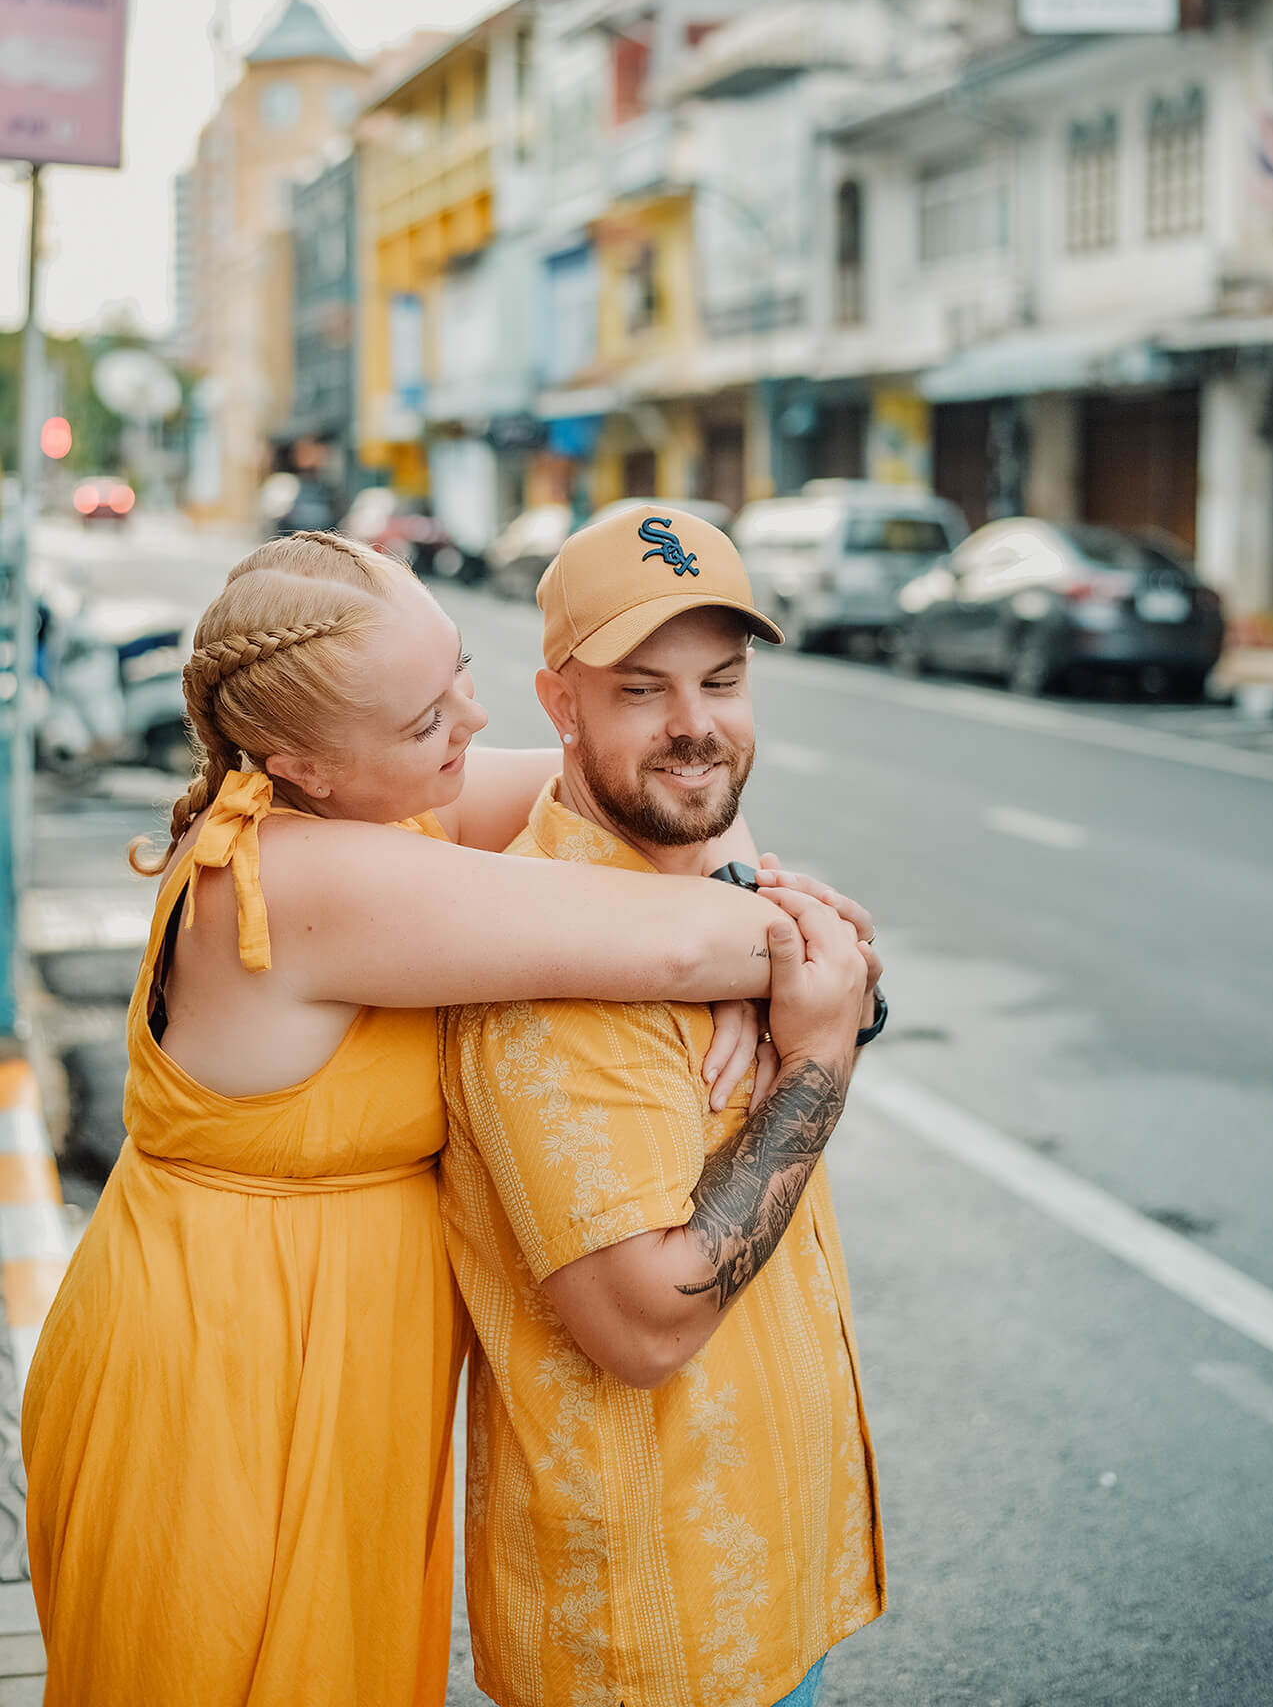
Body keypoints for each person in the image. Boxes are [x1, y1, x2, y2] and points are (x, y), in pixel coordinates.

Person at [21, 529, 845, 1707]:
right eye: (422, 720)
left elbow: (659, 794)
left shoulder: (399, 804)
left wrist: (736, 887)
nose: (469, 717)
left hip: (342, 1361)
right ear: (302, 759)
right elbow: (690, 938)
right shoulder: (303, 879)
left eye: (458, 668)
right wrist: (788, 986)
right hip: (221, 1375)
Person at [443, 506, 886, 1707]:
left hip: (767, 1582)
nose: (696, 724)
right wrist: (818, 1066)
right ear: (559, 705)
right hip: (650, 1638)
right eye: (641, 689)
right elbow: (643, 1321)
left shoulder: (707, 895)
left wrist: (814, 981)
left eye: (724, 679)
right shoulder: (546, 966)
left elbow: (846, 973)